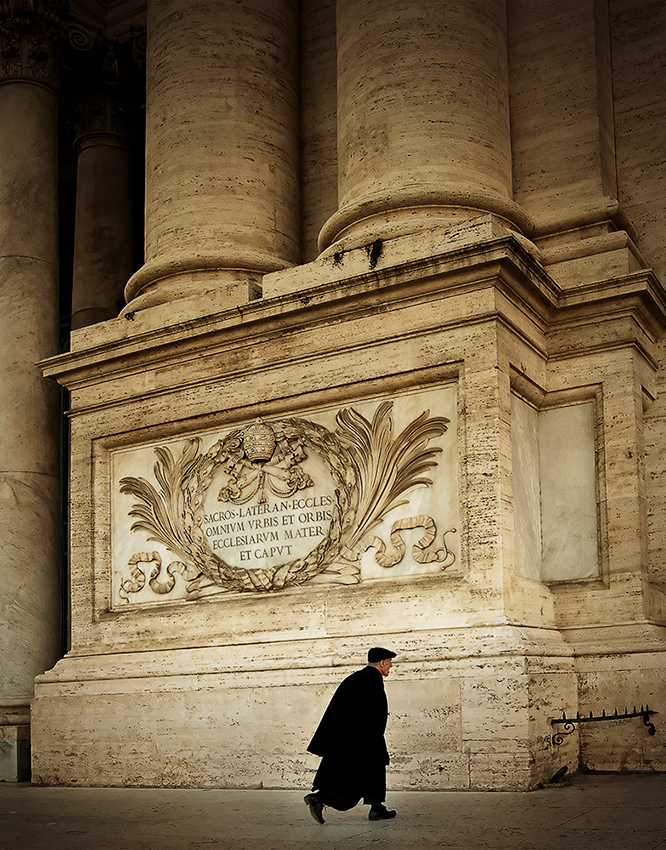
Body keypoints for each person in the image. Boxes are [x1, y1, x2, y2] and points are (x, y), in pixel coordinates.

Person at [304, 647, 397, 824]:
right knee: (355, 780)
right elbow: (370, 714)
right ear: (382, 662)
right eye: (389, 662)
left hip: (352, 738)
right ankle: (319, 799)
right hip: (362, 739)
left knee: (373, 770)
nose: (391, 666)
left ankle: (376, 808)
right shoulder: (371, 680)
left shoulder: (357, 678)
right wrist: (371, 738)